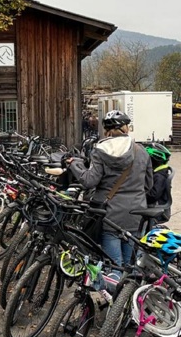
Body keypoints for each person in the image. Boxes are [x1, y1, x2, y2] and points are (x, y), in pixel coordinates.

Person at [67, 110, 153, 267]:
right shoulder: (141, 151)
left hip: (110, 215)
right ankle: (130, 291)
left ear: (106, 130)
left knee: (113, 266)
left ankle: (115, 289)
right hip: (136, 213)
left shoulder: (100, 151)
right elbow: (148, 184)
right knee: (130, 266)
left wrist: (74, 164)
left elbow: (89, 181)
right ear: (127, 128)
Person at [145, 143, 173, 224]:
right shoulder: (159, 172)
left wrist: (139, 195)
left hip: (157, 209)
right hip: (156, 207)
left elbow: (153, 196)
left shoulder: (160, 176)